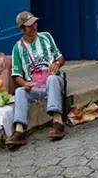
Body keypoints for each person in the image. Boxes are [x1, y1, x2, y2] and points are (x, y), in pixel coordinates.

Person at [5, 11, 65, 146]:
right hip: (35, 86)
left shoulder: (46, 37)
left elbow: (60, 58)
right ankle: (19, 132)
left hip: (53, 81)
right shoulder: (17, 48)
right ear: (22, 29)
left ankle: (58, 122)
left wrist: (56, 64)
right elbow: (17, 76)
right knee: (20, 91)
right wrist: (25, 83)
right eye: (29, 25)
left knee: (52, 79)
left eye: (34, 23)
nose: (34, 27)